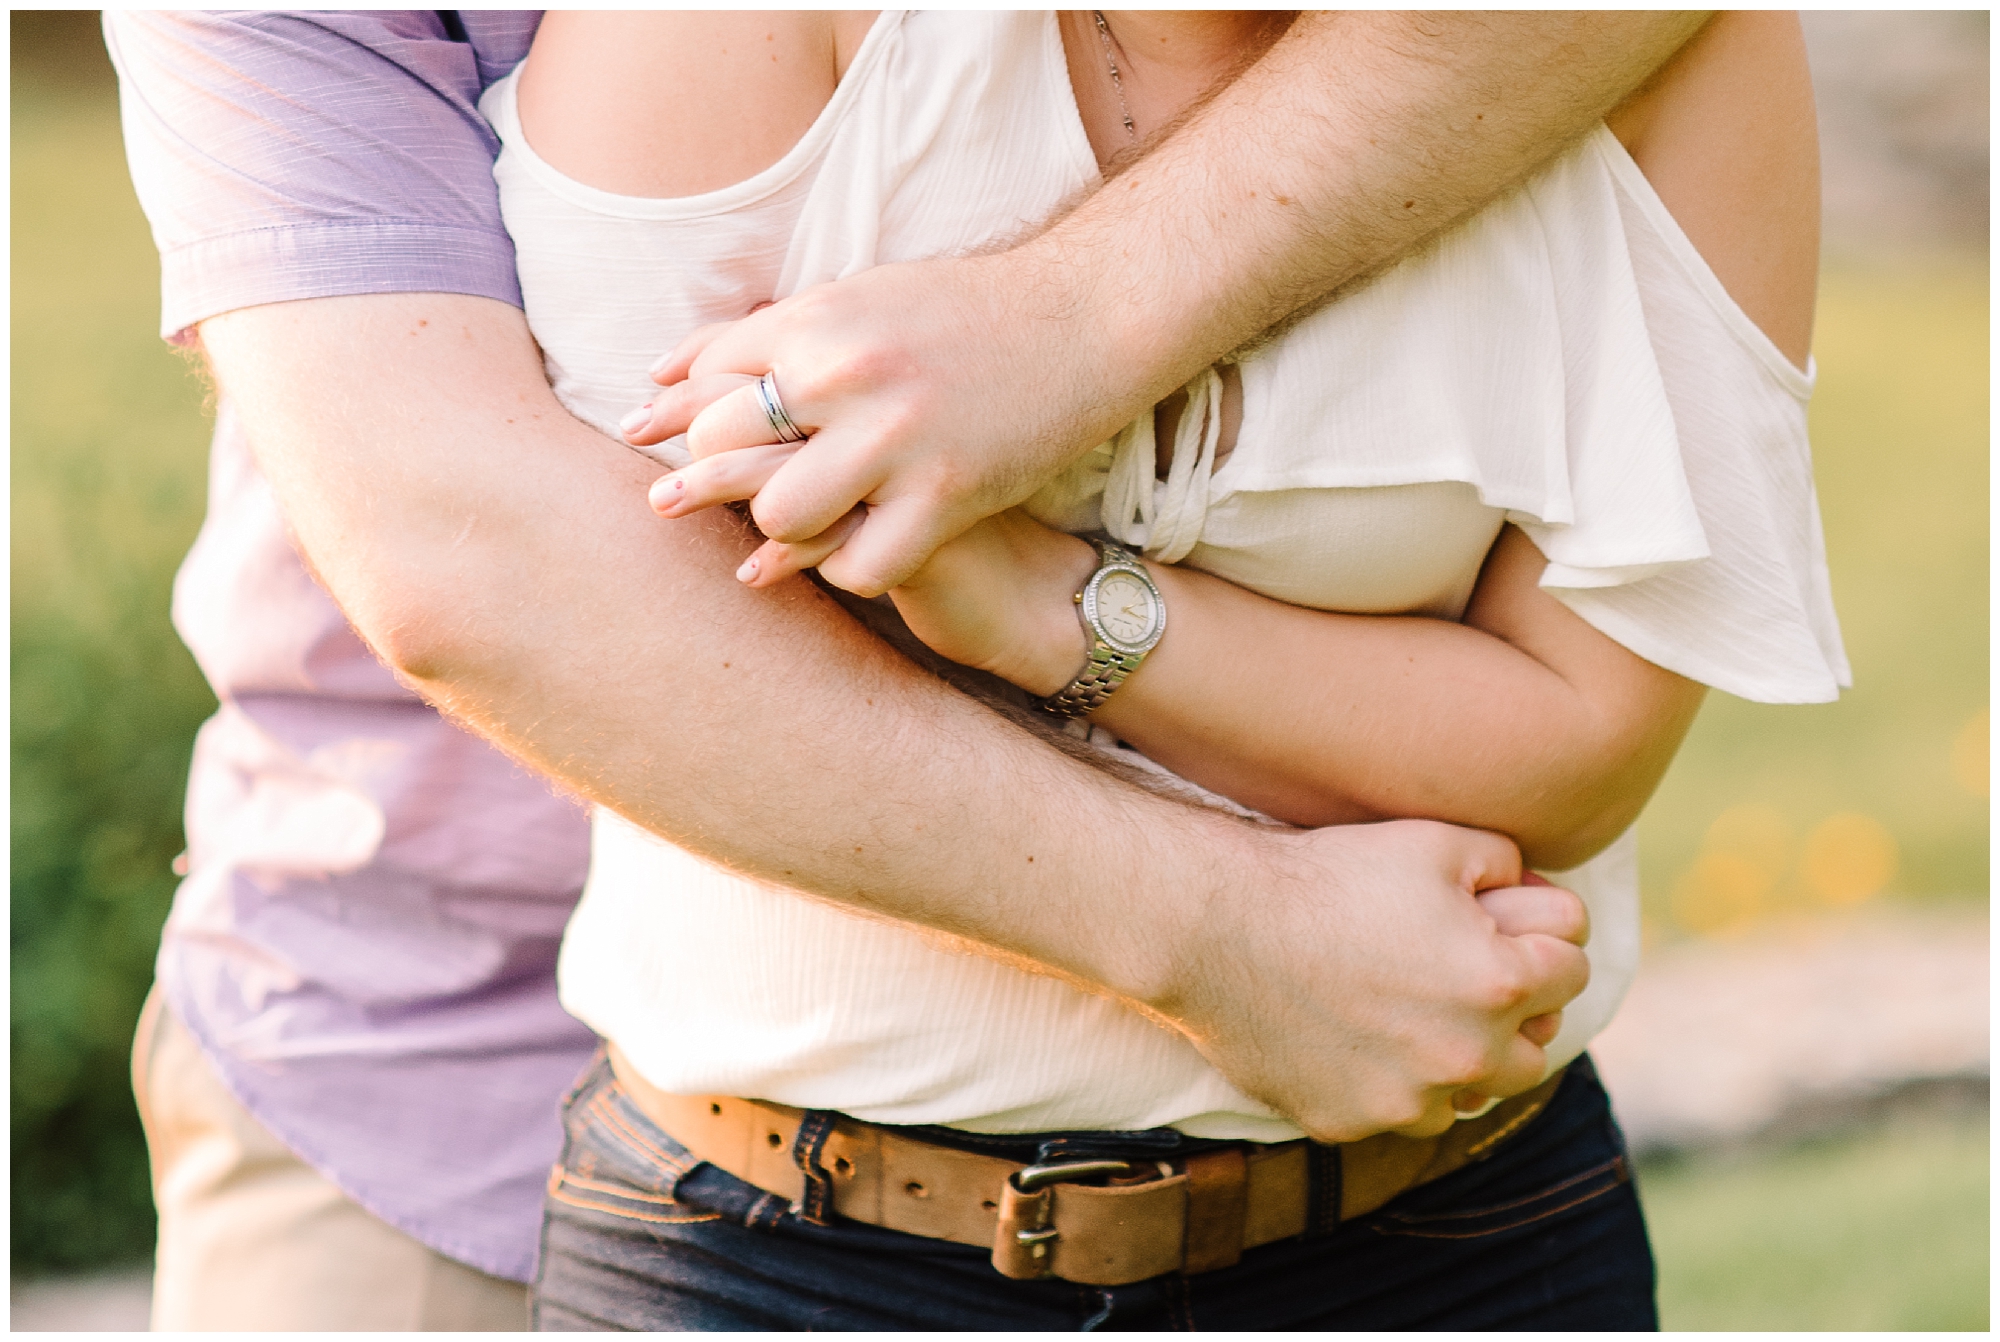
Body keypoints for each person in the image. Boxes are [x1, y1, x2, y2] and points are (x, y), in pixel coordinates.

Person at [109, 9, 1712, 1331]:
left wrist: (1055, 331)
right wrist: (1232, 935)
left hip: (1350, 1127)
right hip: (435, 1035)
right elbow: (477, 561)